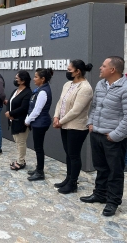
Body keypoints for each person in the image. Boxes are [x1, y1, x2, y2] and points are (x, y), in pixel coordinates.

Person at [80, 56, 127, 217]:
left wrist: (115, 135)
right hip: (96, 134)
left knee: (115, 171)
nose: (100, 68)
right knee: (101, 168)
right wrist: (90, 123)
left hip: (114, 138)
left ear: (113, 70)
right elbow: (95, 106)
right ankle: (100, 194)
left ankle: (113, 201)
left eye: (103, 66)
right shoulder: (100, 84)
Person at [53, 60, 93, 193]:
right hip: (64, 125)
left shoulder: (85, 88)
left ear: (78, 72)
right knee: (68, 153)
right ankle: (68, 178)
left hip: (77, 127)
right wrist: (56, 117)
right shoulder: (67, 84)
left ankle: (73, 183)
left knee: (74, 155)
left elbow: (76, 110)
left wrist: (61, 121)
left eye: (70, 70)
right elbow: (60, 101)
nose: (67, 72)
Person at [25, 68, 53, 181]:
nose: (34, 78)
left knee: (38, 148)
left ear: (43, 79)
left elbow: (37, 110)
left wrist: (27, 120)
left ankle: (40, 172)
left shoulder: (43, 92)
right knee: (37, 147)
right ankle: (38, 169)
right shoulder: (39, 89)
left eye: (36, 77)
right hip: (37, 122)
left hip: (40, 123)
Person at [5, 70, 32, 170]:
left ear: (23, 81)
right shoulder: (16, 90)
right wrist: (8, 113)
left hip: (20, 121)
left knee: (21, 142)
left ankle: (21, 162)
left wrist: (11, 113)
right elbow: (9, 102)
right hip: (12, 120)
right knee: (17, 141)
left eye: (17, 78)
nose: (15, 80)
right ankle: (20, 159)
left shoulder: (28, 93)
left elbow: (24, 108)